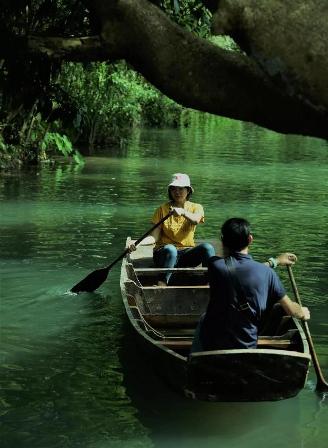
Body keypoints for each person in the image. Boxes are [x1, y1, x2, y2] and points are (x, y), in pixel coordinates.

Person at [192, 217, 310, 352]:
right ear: (250, 240)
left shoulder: (214, 265)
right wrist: (302, 312)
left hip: (213, 347)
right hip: (247, 348)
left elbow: (234, 267)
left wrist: (274, 262)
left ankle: (192, 361)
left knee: (204, 319)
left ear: (222, 240)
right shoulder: (267, 274)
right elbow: (291, 310)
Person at [128, 173, 215, 286]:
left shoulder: (196, 207)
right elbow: (154, 237)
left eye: (181, 189)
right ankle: (162, 283)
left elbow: (196, 220)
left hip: (185, 254)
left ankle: (210, 282)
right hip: (164, 254)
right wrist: (138, 243)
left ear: (188, 190)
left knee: (207, 248)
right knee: (171, 249)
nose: (177, 192)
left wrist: (183, 212)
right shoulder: (162, 209)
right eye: (173, 189)